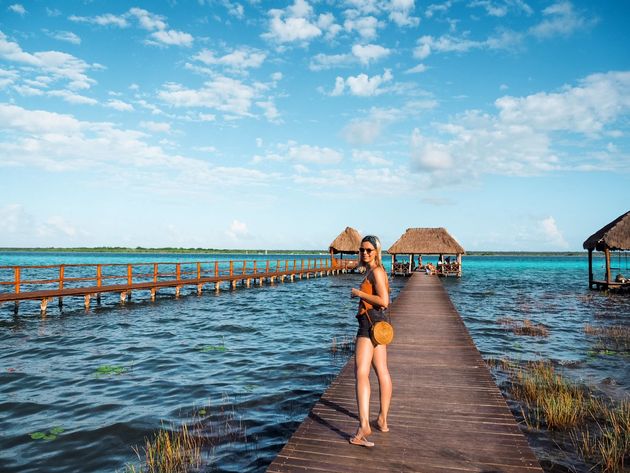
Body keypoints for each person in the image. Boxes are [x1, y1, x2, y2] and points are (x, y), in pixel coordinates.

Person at [349, 235, 392, 447]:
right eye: (362, 250)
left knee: (361, 373)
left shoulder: (375, 272)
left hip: (369, 326)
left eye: (369, 250)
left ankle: (364, 425)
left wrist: (358, 293)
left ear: (376, 251)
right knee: (382, 371)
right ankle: (382, 420)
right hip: (380, 326)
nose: (365, 253)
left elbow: (384, 301)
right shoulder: (378, 271)